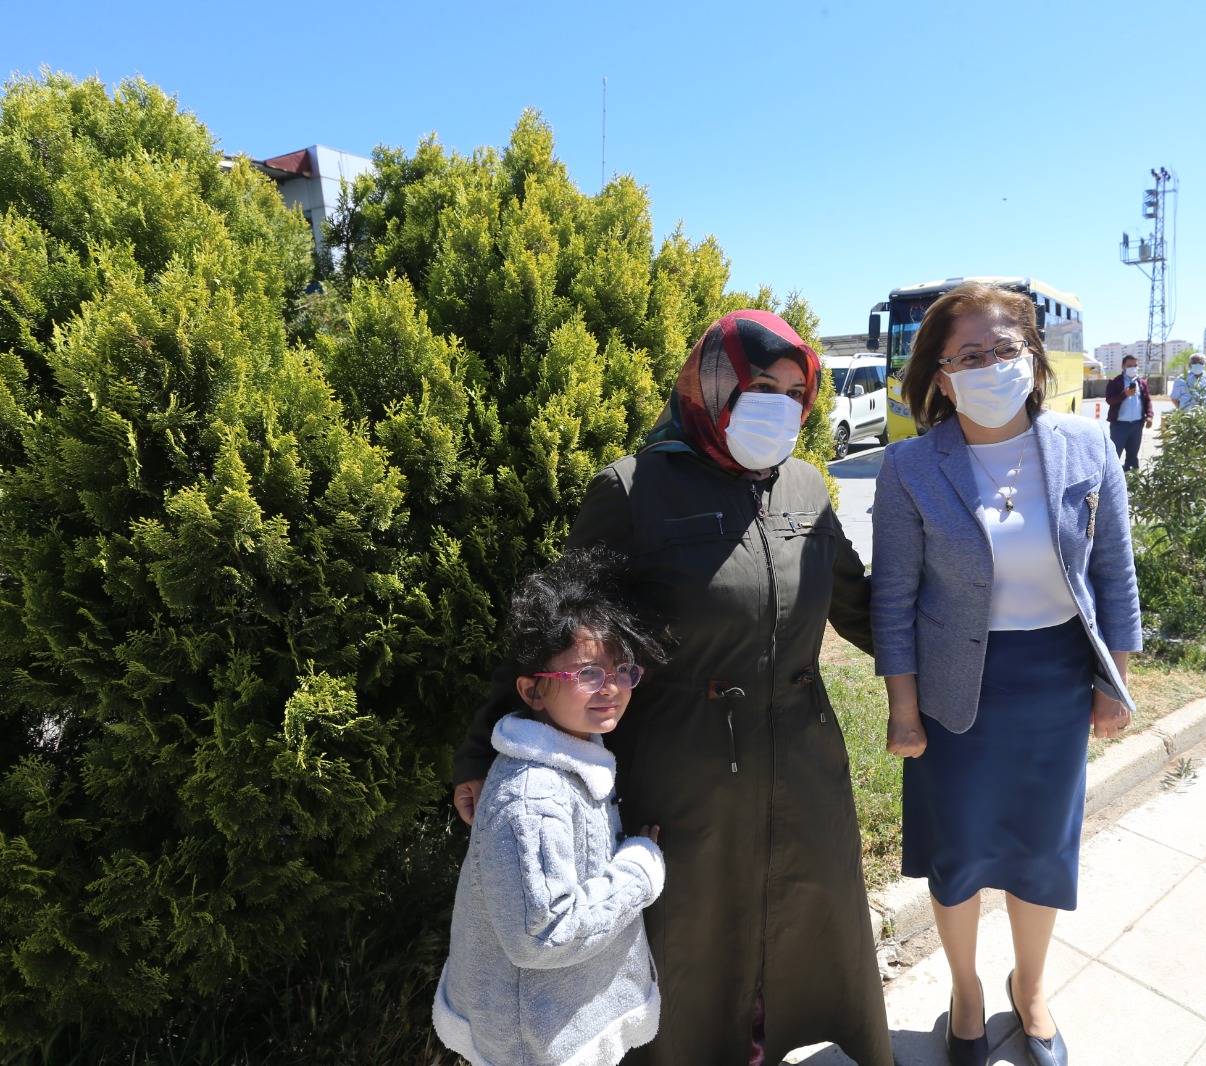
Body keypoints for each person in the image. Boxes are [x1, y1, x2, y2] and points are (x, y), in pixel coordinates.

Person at [451, 311, 892, 1066]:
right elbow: (559, 622)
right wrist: (477, 750)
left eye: (795, 392)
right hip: (684, 769)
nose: (779, 406)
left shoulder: (807, 489)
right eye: (761, 385)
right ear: (713, 382)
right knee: (692, 949)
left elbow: (864, 610)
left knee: (798, 925)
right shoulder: (633, 489)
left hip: (805, 765)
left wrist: (974, 636)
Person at [871, 283, 1141, 1066]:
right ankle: (965, 991)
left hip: (1055, 683)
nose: (991, 365)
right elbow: (894, 600)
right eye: (969, 355)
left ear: (1034, 355)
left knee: (1039, 851)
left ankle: (1030, 988)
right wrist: (903, 709)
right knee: (956, 857)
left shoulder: (1087, 447)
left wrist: (1112, 679)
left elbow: (1115, 575)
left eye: (1004, 348)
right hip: (956, 694)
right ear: (942, 374)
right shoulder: (910, 467)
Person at [434, 549, 668, 1066]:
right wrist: (638, 871)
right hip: (535, 1038)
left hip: (553, 1020)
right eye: (587, 674)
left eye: (622, 670)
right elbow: (544, 933)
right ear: (532, 691)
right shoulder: (531, 799)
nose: (611, 687)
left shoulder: (577, 754)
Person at [1103, 354, 1153, 471]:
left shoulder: (1141, 383)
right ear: (1123, 366)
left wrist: (1149, 416)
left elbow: (1147, 401)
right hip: (1119, 425)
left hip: (1136, 425)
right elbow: (1110, 400)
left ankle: (1132, 482)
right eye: (1129, 366)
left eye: (1135, 365)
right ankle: (1112, 481)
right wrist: (1124, 394)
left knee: (1132, 456)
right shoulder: (1115, 382)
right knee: (1114, 455)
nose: (1133, 368)